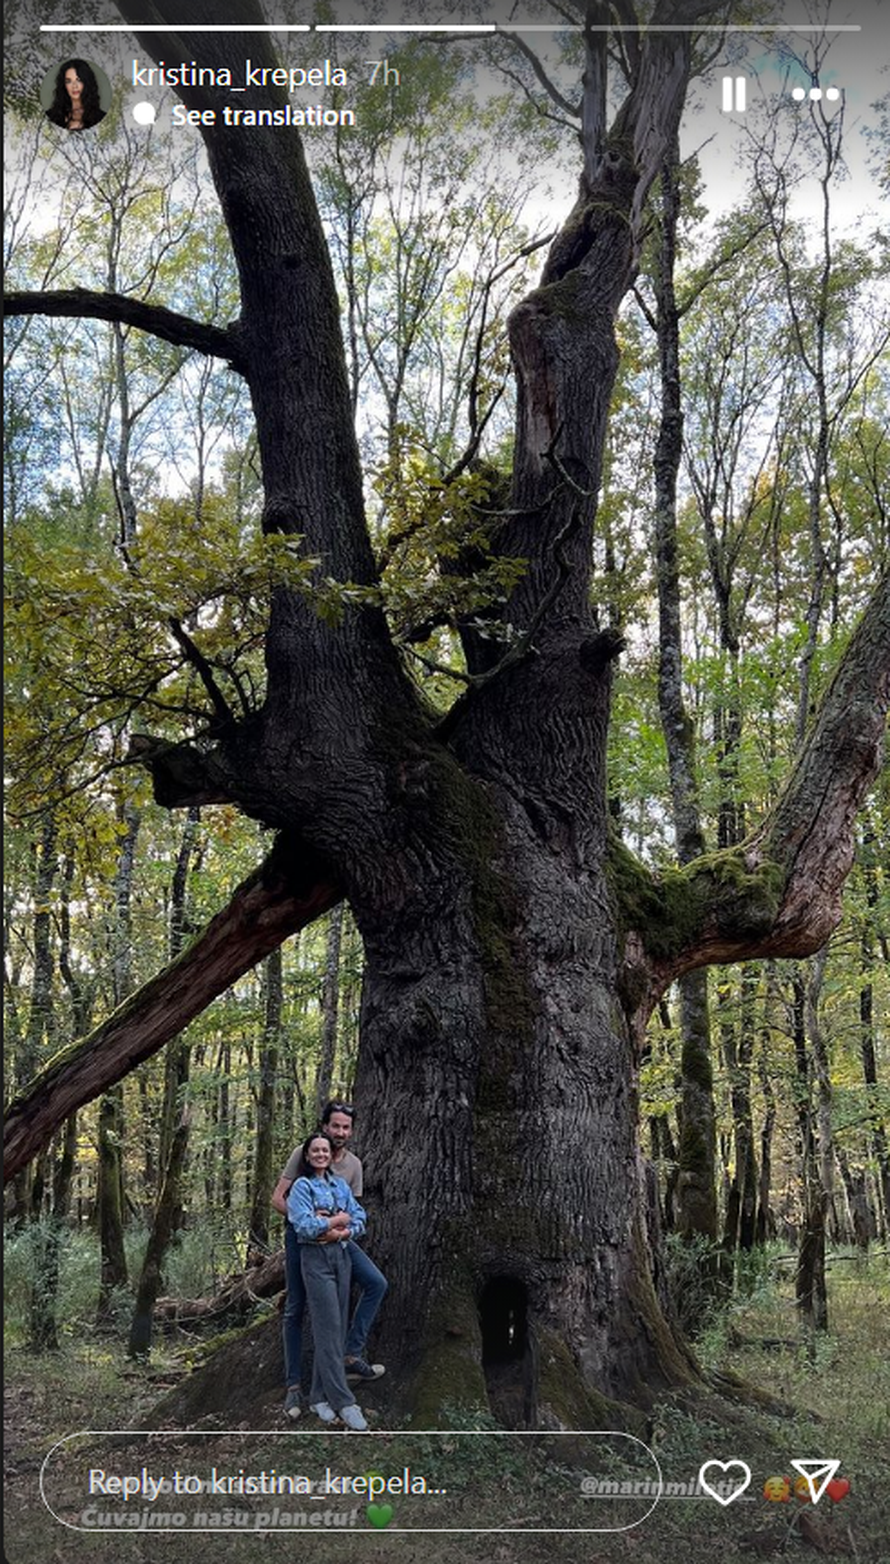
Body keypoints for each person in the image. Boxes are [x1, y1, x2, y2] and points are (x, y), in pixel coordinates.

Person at [272, 1100, 387, 1420]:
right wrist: (308, 1222)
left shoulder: (352, 1166)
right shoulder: (304, 1153)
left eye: (345, 1127)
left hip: (339, 1241)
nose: (339, 1132)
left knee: (376, 1283)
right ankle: (294, 1384)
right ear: (324, 1126)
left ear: (351, 1131)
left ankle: (350, 1354)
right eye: (334, 1125)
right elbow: (277, 1198)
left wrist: (337, 1230)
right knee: (296, 1306)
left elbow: (352, 1213)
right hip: (304, 1241)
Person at [286, 1132, 368, 1430]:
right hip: (315, 1259)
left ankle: (318, 1396)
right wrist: (336, 1220)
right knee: (328, 1327)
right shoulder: (301, 1187)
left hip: (341, 1255)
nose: (321, 1154)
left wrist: (342, 1231)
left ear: (330, 1155)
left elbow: (359, 1217)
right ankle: (345, 1402)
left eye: (325, 1150)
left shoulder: (340, 1185)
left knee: (335, 1326)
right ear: (307, 1156)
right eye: (315, 1150)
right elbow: (304, 1226)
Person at [46, 60, 106, 132]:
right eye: (69, 81)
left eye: (79, 80)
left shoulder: (101, 117)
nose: (74, 86)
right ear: (64, 85)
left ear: (87, 82)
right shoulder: (51, 115)